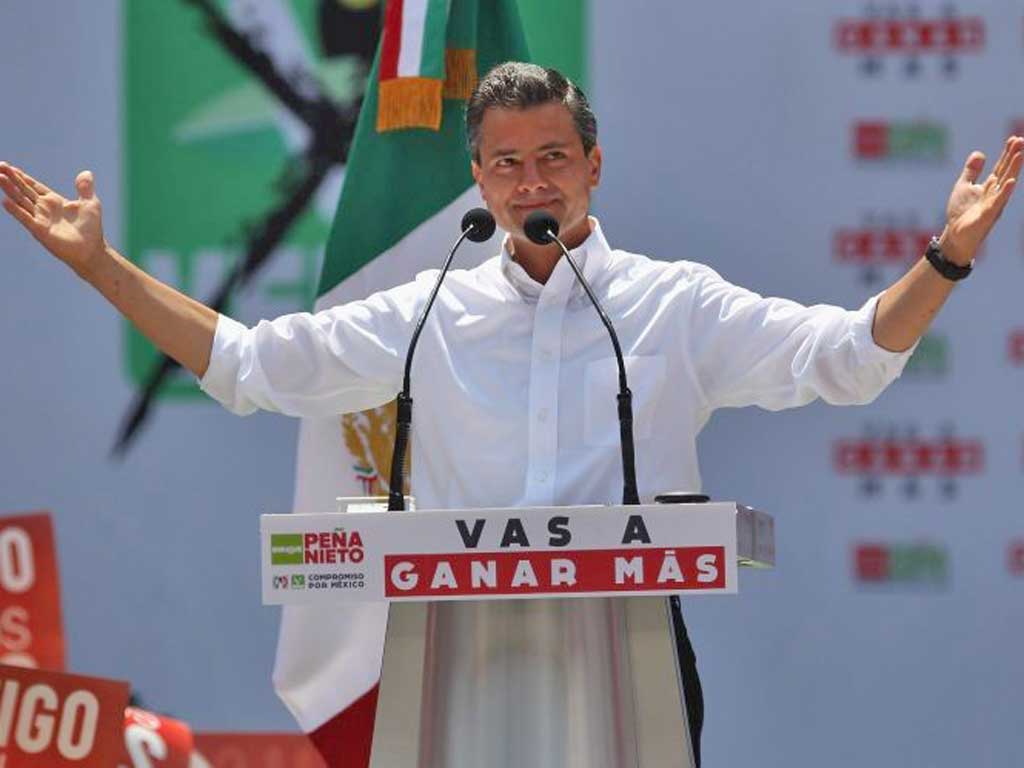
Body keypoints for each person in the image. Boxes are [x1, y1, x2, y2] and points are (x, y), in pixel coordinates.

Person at [2, 62, 1020, 765]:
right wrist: (100, 267)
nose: (531, 179)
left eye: (551, 158)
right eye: (506, 162)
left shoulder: (671, 305)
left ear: (592, 167)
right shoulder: (429, 306)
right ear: (478, 178)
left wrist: (945, 261)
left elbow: (844, 360)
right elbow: (252, 365)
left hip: (629, 652)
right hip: (454, 657)